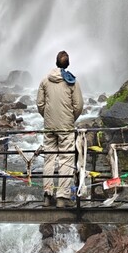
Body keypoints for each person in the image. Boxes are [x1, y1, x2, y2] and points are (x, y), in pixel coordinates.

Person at [37, 50, 84, 208]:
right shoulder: (72, 82)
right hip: (66, 127)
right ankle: (62, 198)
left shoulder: (45, 80)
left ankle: (47, 195)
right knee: (66, 159)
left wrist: (48, 117)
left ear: (56, 63)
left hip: (49, 126)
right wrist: (70, 119)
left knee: (49, 159)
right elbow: (78, 106)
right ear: (67, 64)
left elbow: (40, 104)